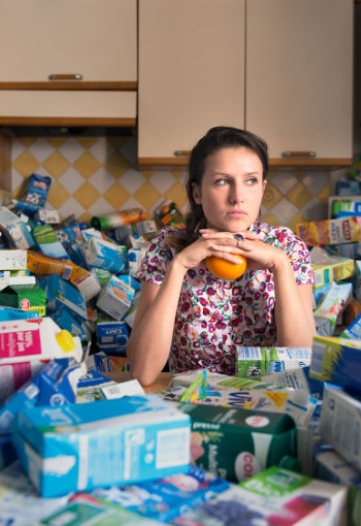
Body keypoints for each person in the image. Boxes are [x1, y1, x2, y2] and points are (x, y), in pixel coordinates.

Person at [127, 126, 316, 386]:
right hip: (191, 403)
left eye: (250, 181)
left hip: (267, 403)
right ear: (197, 193)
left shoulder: (288, 247)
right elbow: (142, 372)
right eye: (222, 181)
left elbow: (302, 365)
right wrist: (179, 265)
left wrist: (280, 265)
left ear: (262, 188)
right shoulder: (167, 247)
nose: (237, 197)